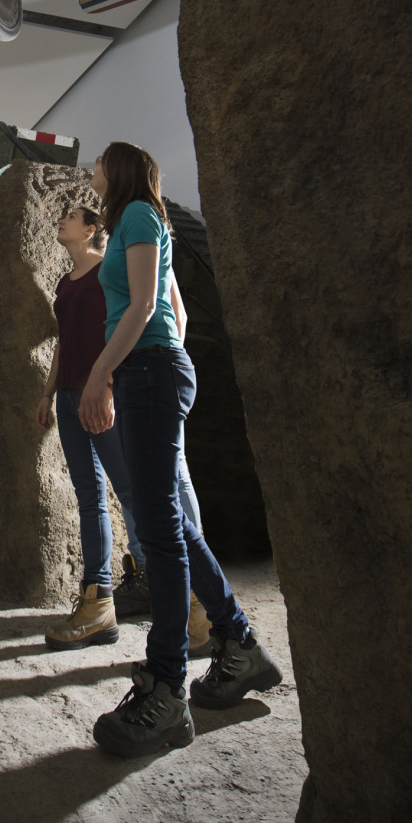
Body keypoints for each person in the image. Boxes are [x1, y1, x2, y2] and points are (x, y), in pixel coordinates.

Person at [81, 143, 282, 758]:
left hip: (147, 373)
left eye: (97, 166)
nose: (91, 174)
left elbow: (146, 308)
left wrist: (103, 374)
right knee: (170, 521)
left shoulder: (139, 214)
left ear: (118, 172)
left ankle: (166, 688)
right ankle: (240, 642)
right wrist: (161, 360)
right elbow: (176, 310)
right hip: (151, 370)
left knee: (159, 526)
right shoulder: (141, 222)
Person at [39, 207, 211, 652]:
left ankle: (197, 604)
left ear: (93, 229)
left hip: (105, 394)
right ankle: (98, 606)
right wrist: (47, 394)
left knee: (140, 497)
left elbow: (146, 320)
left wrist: (113, 383)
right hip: (72, 395)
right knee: (90, 500)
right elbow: (65, 341)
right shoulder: (65, 281)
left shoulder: (111, 271)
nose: (61, 220)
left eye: (70, 216)